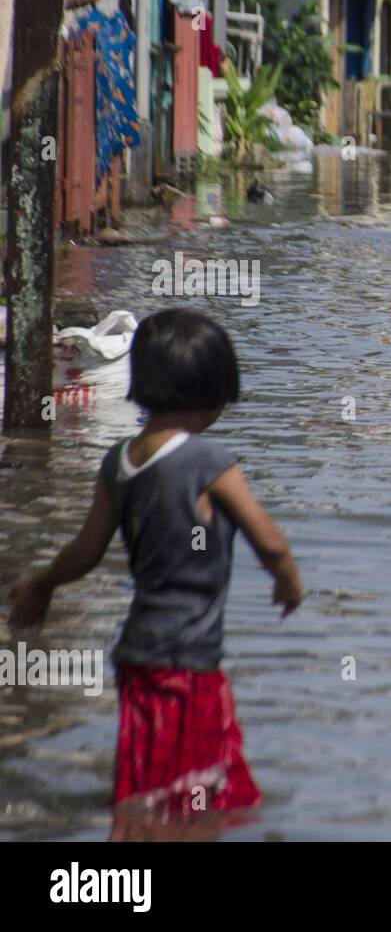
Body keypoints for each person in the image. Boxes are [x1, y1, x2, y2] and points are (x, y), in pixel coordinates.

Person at [7, 309, 305, 820]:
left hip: (136, 657)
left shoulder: (119, 461)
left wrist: (41, 583)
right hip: (188, 662)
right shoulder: (210, 462)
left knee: (145, 782)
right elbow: (270, 541)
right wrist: (288, 584)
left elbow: (86, 550)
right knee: (203, 793)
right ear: (214, 394)